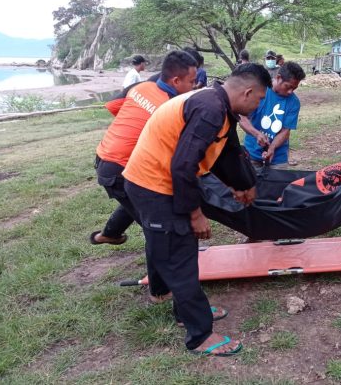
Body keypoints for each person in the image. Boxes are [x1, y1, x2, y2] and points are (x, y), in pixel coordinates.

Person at [123, 63, 272, 356]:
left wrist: (243, 184)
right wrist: (195, 214)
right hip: (154, 185)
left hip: (157, 182)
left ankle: (176, 305)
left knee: (170, 246)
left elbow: (227, 152)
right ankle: (200, 335)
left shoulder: (221, 107)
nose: (257, 106)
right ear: (248, 91)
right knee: (180, 254)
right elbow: (182, 166)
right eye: (258, 100)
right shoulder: (210, 109)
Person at [89, 51, 198, 245]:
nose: (195, 87)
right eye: (191, 82)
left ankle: (110, 234)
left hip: (104, 158)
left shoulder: (142, 86)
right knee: (159, 222)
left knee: (135, 198)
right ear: (175, 81)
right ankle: (167, 264)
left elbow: (113, 106)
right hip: (121, 170)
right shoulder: (173, 107)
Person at [240, 61, 306, 170]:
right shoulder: (260, 90)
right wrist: (257, 134)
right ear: (279, 77)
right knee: (250, 185)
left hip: (278, 158)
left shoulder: (294, 102)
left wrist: (272, 148)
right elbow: (242, 119)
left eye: (294, 88)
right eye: (288, 86)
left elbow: (285, 131)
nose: (290, 92)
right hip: (252, 153)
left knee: (277, 185)